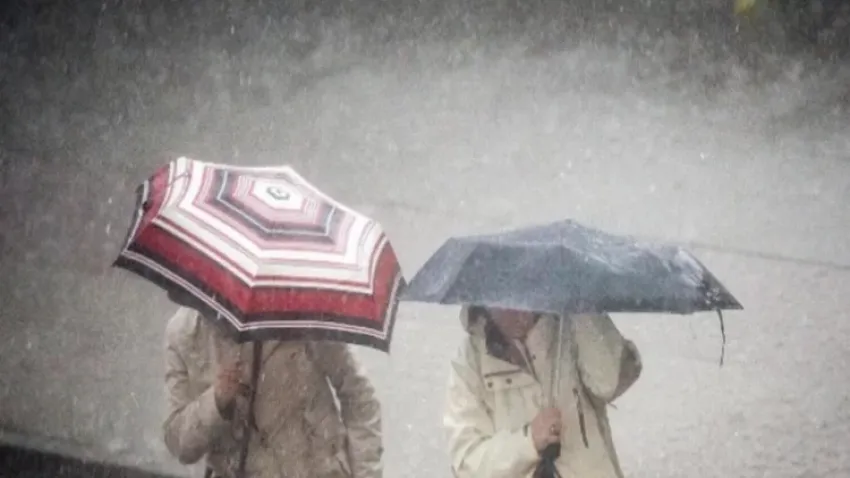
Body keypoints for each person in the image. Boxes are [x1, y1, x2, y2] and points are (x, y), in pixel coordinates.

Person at [163, 305, 383, 478]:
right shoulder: (183, 335)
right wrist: (217, 400)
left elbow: (359, 397)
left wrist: (366, 474)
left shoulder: (302, 313)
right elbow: (180, 444)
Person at [444, 306, 642, 478]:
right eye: (508, 304)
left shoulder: (569, 325)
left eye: (525, 295)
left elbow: (610, 383)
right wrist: (528, 441)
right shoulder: (470, 362)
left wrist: (580, 304)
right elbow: (467, 464)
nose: (520, 314)